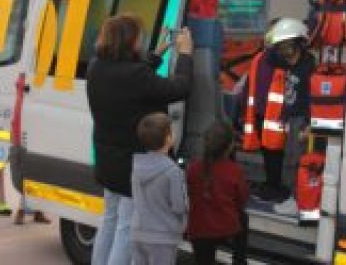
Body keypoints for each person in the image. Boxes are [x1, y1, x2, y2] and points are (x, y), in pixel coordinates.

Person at [86, 15, 193, 265]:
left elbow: (134, 78)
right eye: (139, 37)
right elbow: (177, 88)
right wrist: (186, 55)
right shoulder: (135, 74)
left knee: (109, 221)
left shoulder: (96, 66)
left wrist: (157, 53)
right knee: (126, 229)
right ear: (129, 41)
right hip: (130, 165)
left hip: (107, 160)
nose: (141, 41)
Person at [240, 18, 315, 211]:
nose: (281, 51)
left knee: (295, 161)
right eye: (279, 47)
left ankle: (296, 199)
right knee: (288, 159)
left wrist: (309, 126)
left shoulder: (308, 67)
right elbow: (269, 52)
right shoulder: (280, 60)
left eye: (285, 46)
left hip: (301, 121)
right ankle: (288, 196)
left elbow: (314, 100)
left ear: (297, 43)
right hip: (286, 118)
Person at [187, 122, 248, 265]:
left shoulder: (193, 169)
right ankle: (239, 260)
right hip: (226, 228)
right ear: (230, 146)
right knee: (244, 218)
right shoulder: (235, 171)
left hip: (199, 230)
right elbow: (242, 199)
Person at [131, 113, 187, 265]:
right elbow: (179, 206)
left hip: (138, 231)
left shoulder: (136, 166)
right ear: (168, 139)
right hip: (163, 236)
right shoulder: (173, 171)